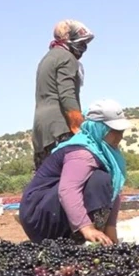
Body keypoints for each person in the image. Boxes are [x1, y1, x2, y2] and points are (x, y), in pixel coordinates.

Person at [20, 99, 130, 246]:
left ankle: (91, 235)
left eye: (121, 131)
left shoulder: (104, 152)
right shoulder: (82, 152)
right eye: (114, 131)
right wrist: (86, 228)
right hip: (40, 218)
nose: (119, 136)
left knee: (105, 179)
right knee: (100, 179)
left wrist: (111, 229)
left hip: (53, 210)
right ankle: (82, 236)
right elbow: (68, 190)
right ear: (98, 128)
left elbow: (114, 192)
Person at [32, 19, 95, 170]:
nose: (84, 49)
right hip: (60, 128)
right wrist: (80, 130)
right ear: (70, 41)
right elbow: (67, 95)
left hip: (41, 131)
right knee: (67, 179)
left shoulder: (48, 58)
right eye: (81, 44)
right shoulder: (67, 58)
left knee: (46, 181)